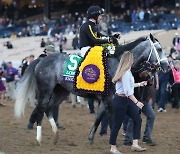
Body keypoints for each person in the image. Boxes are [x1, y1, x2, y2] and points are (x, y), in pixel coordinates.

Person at [109, 51, 146, 154]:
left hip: (126, 100)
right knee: (117, 125)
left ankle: (135, 144)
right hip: (121, 101)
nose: (133, 60)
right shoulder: (125, 73)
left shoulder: (127, 72)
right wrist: (137, 102)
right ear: (129, 60)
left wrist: (139, 84)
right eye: (132, 58)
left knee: (137, 119)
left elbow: (129, 86)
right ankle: (113, 148)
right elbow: (127, 91)